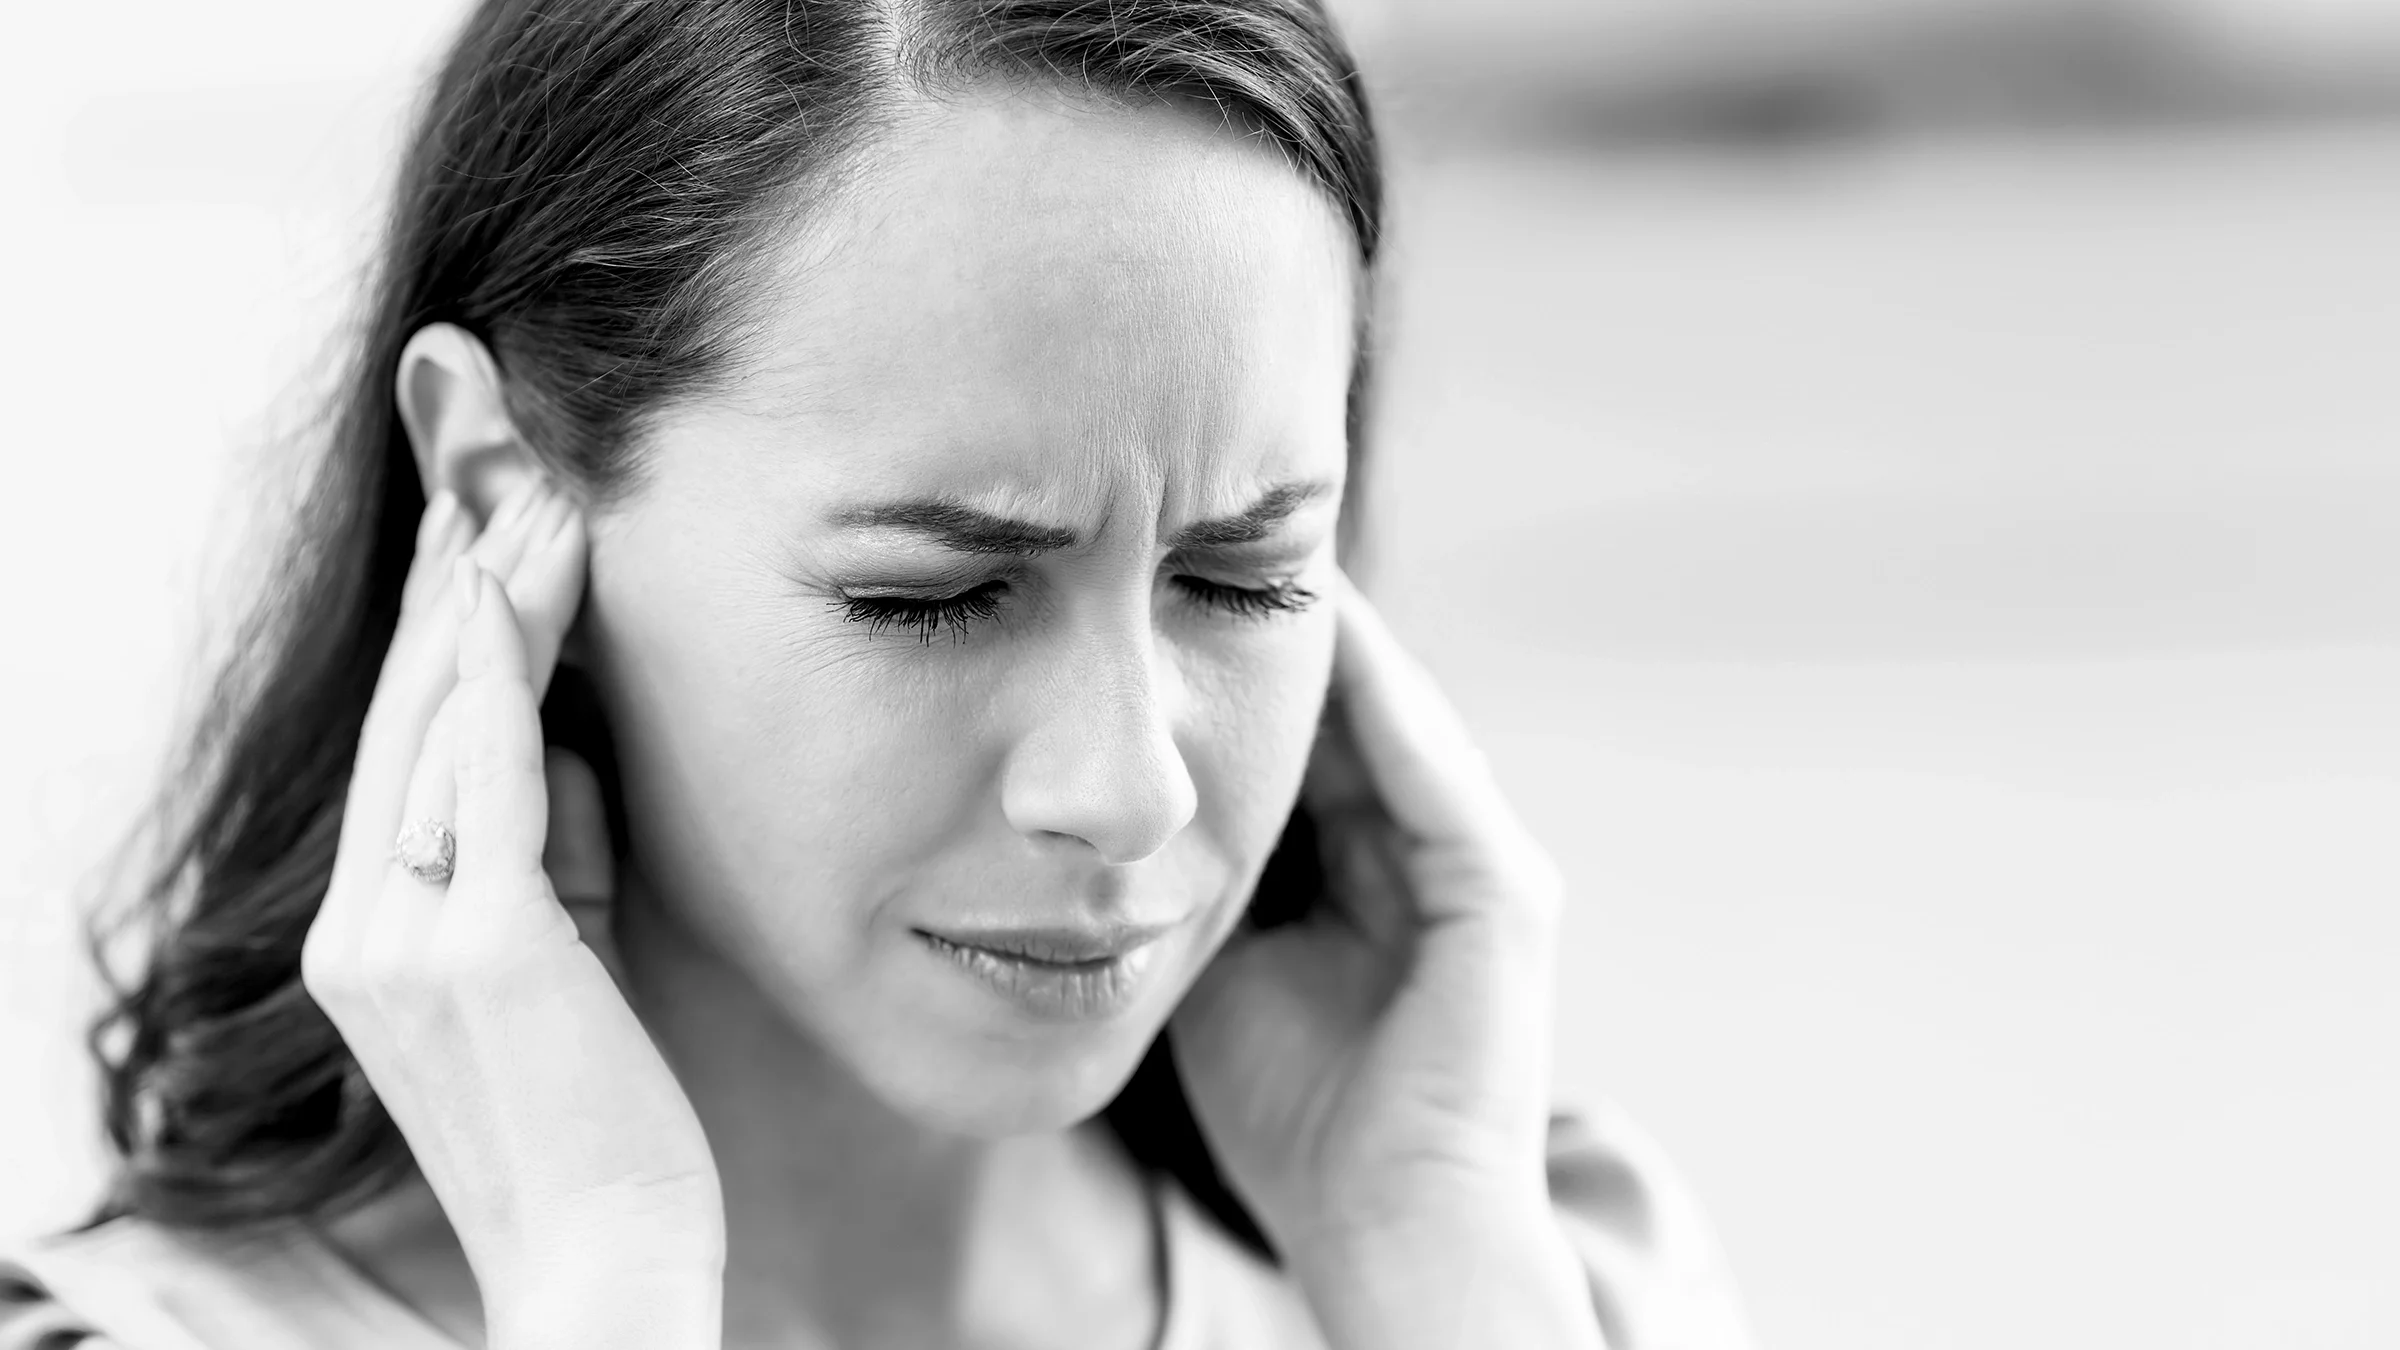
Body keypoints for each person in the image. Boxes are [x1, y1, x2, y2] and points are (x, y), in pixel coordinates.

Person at [0, 1, 1753, 1346]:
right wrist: (607, 1281)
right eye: (936, 595)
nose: (1132, 785)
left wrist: (1428, 1250)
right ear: (500, 483)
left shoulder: (1539, 1279)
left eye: (1242, 574)